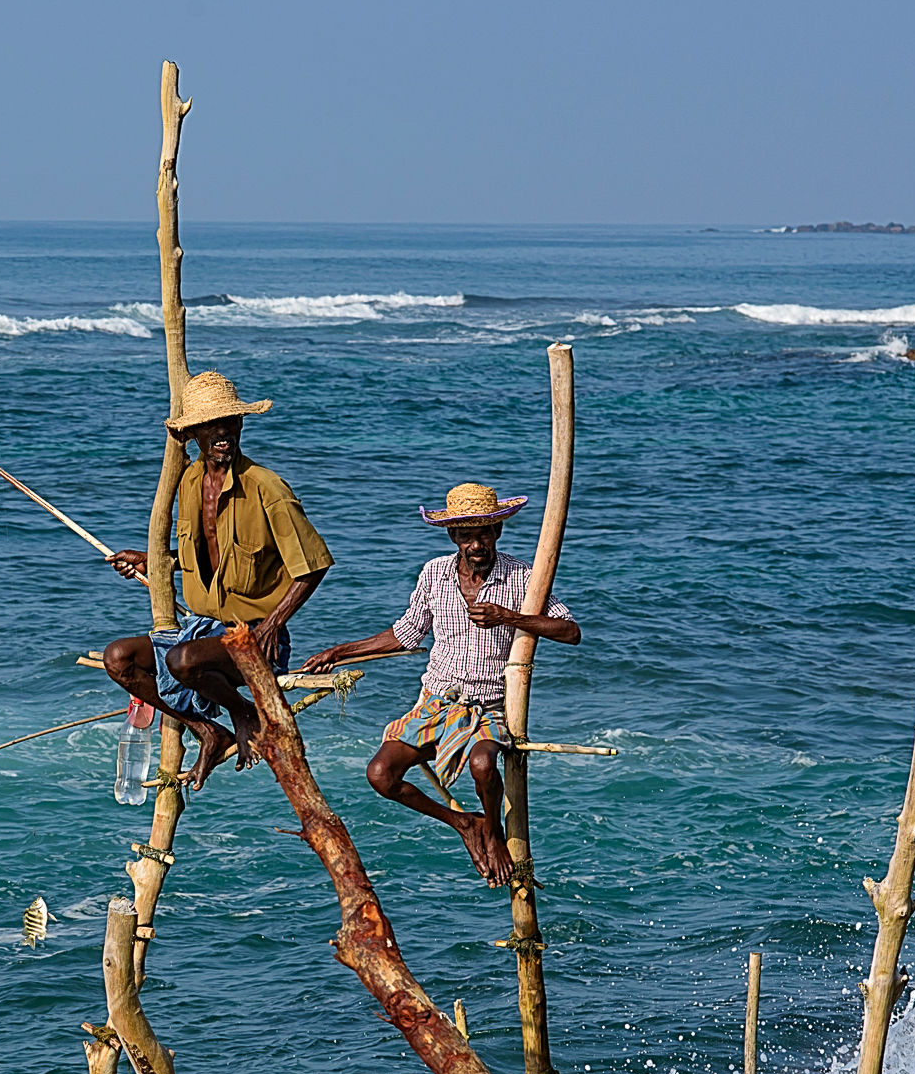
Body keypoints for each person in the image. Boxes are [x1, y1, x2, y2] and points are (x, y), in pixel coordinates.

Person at [300, 483, 580, 885]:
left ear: (498, 531)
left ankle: (494, 832)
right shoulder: (435, 574)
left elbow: (570, 631)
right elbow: (405, 633)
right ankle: (465, 823)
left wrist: (509, 617)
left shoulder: (523, 577)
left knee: (483, 764)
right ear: (453, 536)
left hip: (489, 707)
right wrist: (339, 651)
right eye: (466, 535)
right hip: (437, 702)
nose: (476, 544)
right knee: (380, 774)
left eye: (484, 533)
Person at [102, 371, 333, 791]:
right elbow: (204, 555)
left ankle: (242, 712)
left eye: (229, 421)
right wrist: (155, 561)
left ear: (241, 423)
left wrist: (271, 626)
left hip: (254, 637)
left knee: (182, 662)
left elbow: (313, 565)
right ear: (192, 433)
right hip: (199, 632)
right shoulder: (189, 482)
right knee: (119, 657)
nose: (221, 432)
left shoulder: (266, 488)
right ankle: (208, 730)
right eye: (210, 425)